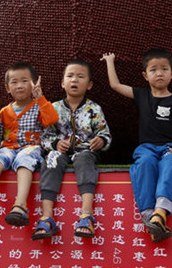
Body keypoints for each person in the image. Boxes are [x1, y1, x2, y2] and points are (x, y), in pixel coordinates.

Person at [104, 49, 172, 243]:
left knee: (171, 163)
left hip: (170, 146)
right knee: (144, 164)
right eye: (153, 70)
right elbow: (115, 85)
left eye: (164, 69)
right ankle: (150, 216)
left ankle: (160, 212)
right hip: (147, 147)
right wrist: (110, 61)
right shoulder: (142, 95)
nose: (159, 73)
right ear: (145, 75)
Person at [0, 62, 58, 228]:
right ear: (7, 88)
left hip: (31, 147)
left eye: (24, 81)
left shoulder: (39, 106)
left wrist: (41, 98)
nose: (19, 85)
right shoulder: (4, 111)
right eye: (14, 82)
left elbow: (51, 120)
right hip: (8, 147)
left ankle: (20, 204)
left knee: (24, 160)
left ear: (34, 83)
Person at [32, 59, 112, 240]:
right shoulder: (53, 108)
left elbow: (105, 134)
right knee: (51, 159)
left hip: (84, 152)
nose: (74, 80)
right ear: (63, 82)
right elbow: (44, 136)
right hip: (60, 153)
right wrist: (55, 144)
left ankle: (86, 215)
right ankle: (46, 217)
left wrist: (100, 140)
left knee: (84, 158)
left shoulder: (94, 109)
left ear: (89, 85)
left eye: (80, 76)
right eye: (70, 76)